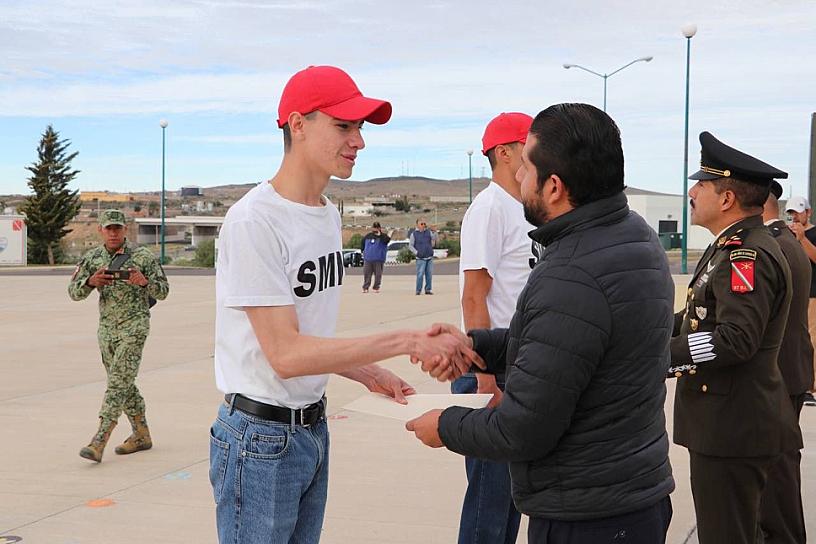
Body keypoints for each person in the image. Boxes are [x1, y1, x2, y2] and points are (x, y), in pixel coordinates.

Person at [210, 65, 477, 544]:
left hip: (311, 429)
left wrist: (366, 371)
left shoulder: (326, 215)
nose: (359, 141)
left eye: (360, 128)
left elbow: (305, 331)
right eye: (343, 126)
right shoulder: (254, 221)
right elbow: (286, 355)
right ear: (297, 124)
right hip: (259, 440)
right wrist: (404, 340)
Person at [407, 103, 675, 544]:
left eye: (526, 166)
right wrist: (472, 344)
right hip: (633, 489)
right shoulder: (634, 235)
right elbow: (561, 341)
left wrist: (445, 425)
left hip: (588, 513)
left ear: (554, 187)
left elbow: (523, 429)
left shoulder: (572, 270)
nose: (517, 176)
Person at [666, 132, 802, 544]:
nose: (692, 192)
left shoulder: (748, 253)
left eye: (701, 184)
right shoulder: (727, 247)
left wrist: (661, 357)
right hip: (726, 424)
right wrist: (644, 329)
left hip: (732, 429)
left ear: (726, 199)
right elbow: (698, 317)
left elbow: (734, 338)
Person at [450, 112, 534, 544]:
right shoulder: (490, 209)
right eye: (530, 145)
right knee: (488, 504)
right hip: (491, 372)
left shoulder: (525, 208)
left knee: (510, 504)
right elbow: (473, 296)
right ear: (505, 152)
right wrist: (484, 379)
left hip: (517, 371)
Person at [68, 209, 169, 462]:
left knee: (118, 381)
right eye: (108, 228)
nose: (113, 233)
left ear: (125, 230)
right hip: (106, 329)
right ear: (100, 230)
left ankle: (100, 437)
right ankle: (141, 434)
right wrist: (91, 282)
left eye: (118, 228)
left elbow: (164, 290)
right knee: (123, 382)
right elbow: (74, 293)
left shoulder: (143, 257)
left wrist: (144, 282)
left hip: (135, 325)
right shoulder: (92, 258)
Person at [759, 180, 812, 543]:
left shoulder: (772, 246)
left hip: (775, 378)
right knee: (782, 477)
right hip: (791, 372)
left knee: (775, 482)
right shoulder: (788, 242)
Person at [786, 194, 816, 406]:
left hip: (813, 294)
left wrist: (802, 239)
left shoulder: (811, 233)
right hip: (796, 294)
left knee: (812, 338)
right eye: (792, 213)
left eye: (798, 212)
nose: (795, 217)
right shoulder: (789, 233)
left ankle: (811, 385)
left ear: (808, 212)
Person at [360, 221, 390, 293]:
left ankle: (376, 287)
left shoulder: (383, 236)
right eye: (374, 227)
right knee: (367, 274)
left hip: (379, 259)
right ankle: (365, 287)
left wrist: (379, 235)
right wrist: (362, 251)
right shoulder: (368, 236)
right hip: (368, 259)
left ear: (379, 228)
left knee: (378, 275)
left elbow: (387, 240)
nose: (375, 229)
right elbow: (362, 243)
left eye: (377, 227)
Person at [409, 217, 437, 294]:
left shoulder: (428, 232)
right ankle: (418, 290)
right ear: (417, 225)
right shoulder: (414, 234)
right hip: (420, 258)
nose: (423, 225)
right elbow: (410, 246)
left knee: (429, 274)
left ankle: (428, 289)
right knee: (420, 274)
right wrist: (417, 252)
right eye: (422, 224)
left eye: (424, 224)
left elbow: (434, 239)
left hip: (429, 256)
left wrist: (434, 232)